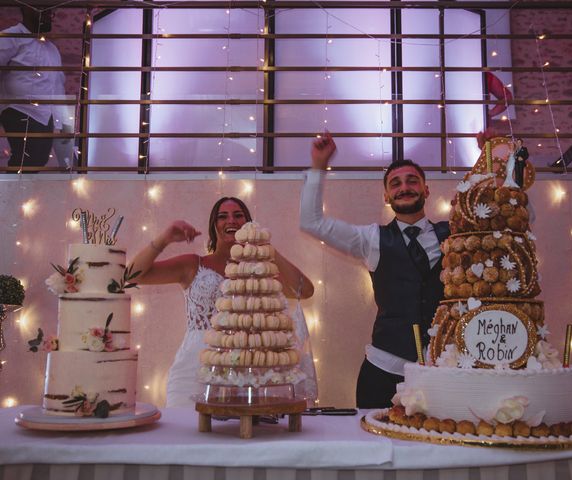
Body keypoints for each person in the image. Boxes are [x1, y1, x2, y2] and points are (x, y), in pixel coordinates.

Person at [300, 131, 450, 408]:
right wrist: (318, 165)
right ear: (386, 195)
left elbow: (515, 221)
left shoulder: (455, 235)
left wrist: (499, 161)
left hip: (446, 371)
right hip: (384, 370)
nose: (404, 187)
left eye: (412, 181)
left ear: (426, 190)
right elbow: (311, 222)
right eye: (395, 184)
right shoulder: (371, 239)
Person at [130, 197, 315, 407]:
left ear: (247, 224)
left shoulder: (258, 273)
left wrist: (265, 248)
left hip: (247, 373)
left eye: (238, 215)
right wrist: (164, 238)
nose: (231, 221)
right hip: (194, 368)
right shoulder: (193, 265)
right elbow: (133, 274)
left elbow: (305, 290)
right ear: (214, 225)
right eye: (223, 216)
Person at [0, 7, 72, 172]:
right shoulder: (11, 37)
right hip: (19, 110)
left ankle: (20, 194)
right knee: (28, 158)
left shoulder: (51, 49)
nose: (49, 18)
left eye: (50, 14)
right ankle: (11, 194)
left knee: (39, 159)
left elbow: (57, 86)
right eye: (45, 13)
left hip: (45, 115)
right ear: (29, 11)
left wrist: (64, 121)